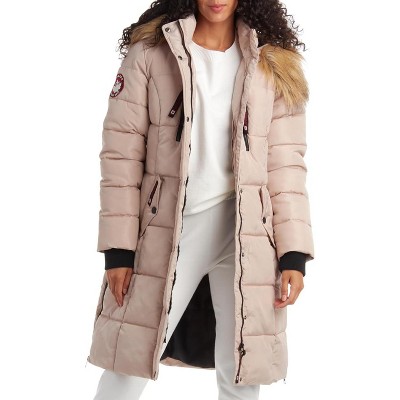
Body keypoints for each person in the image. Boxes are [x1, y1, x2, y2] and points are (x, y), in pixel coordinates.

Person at [87, 1, 315, 399]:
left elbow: (286, 165)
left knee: (242, 368)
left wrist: (293, 253)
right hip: (169, 228)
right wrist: (119, 249)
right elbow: (121, 155)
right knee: (131, 357)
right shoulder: (151, 54)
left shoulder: (273, 64)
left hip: (245, 234)